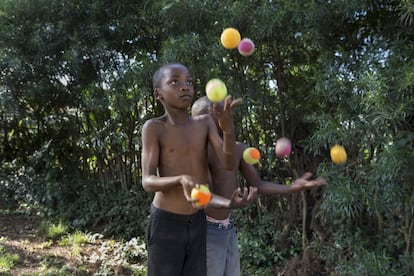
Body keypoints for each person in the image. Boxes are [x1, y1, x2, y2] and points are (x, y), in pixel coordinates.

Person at [141, 63, 256, 276]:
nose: (185, 87)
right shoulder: (154, 128)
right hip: (166, 223)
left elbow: (228, 163)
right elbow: (147, 181)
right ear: (159, 94)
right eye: (175, 82)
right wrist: (180, 180)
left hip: (198, 223)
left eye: (189, 82)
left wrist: (227, 129)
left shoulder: (204, 124)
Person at [191, 96, 326, 276]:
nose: (223, 116)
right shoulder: (197, 153)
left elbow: (258, 184)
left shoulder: (238, 149)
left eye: (224, 113)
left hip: (228, 228)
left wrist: (292, 188)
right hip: (206, 230)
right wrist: (230, 204)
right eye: (214, 114)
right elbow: (204, 196)